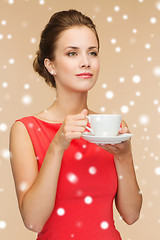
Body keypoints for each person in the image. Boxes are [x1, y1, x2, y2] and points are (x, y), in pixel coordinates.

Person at [9, 9, 142, 240]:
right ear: (51, 66)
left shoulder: (112, 129)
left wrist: (124, 155)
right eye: (72, 53)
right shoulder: (26, 130)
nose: (85, 62)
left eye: (92, 53)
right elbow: (33, 220)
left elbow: (131, 214)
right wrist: (57, 146)